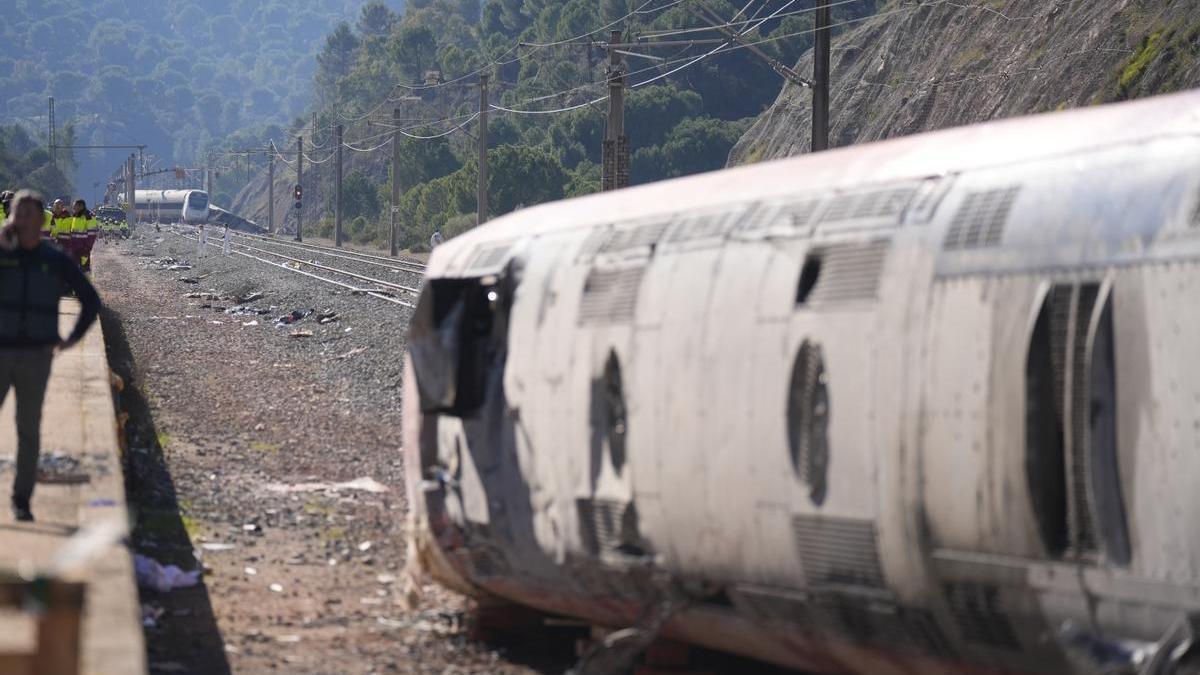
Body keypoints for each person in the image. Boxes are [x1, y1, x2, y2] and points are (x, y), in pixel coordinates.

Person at [0, 190, 100, 522]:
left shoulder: (54, 259)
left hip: (36, 357)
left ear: (41, 219)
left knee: (28, 429)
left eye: (27, 214)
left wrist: (72, 339)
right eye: (16, 213)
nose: (21, 220)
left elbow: (90, 299)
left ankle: (22, 500)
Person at [71, 199, 97, 273]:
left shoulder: (88, 216)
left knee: (84, 270)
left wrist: (87, 248)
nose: (73, 208)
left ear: (81, 206)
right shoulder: (75, 216)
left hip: (83, 248)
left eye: (75, 206)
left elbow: (92, 235)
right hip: (75, 248)